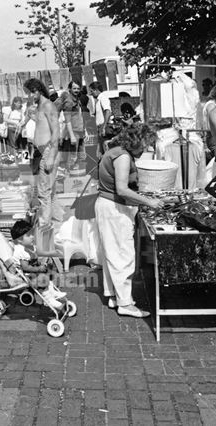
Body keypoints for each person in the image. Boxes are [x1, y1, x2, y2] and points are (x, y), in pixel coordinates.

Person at [96, 122, 163, 318]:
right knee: (123, 255)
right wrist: (149, 202)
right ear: (136, 141)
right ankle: (125, 303)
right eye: (144, 145)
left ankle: (115, 296)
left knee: (112, 252)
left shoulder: (117, 151)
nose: (145, 150)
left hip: (108, 206)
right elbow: (122, 189)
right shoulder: (123, 157)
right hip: (114, 209)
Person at [23, 78, 59, 231]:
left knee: (45, 192)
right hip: (42, 150)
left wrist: (51, 156)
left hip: (48, 150)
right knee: (45, 191)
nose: (28, 97)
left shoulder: (48, 105)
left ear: (36, 91)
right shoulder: (39, 107)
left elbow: (56, 131)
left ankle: (45, 225)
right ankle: (47, 223)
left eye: (29, 93)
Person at [9, 220, 66, 308]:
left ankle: (52, 292)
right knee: (42, 279)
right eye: (29, 235)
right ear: (20, 240)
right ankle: (48, 299)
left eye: (32, 234)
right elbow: (25, 267)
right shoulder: (21, 251)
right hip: (25, 276)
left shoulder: (27, 246)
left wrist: (40, 265)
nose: (32, 237)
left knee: (47, 274)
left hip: (31, 272)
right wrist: (39, 269)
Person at [56, 80, 86, 173]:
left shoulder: (76, 99)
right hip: (74, 131)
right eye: (74, 88)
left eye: (78, 88)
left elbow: (79, 116)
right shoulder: (69, 101)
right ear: (70, 89)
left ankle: (79, 176)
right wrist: (72, 136)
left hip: (80, 130)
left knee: (82, 155)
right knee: (73, 156)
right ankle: (68, 176)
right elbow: (67, 120)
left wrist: (84, 130)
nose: (76, 90)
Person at [87, 82, 112, 158]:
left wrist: (103, 127)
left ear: (96, 90)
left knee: (105, 149)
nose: (91, 93)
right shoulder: (98, 100)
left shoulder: (103, 98)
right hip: (99, 127)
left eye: (92, 91)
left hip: (103, 127)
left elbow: (108, 111)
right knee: (100, 149)